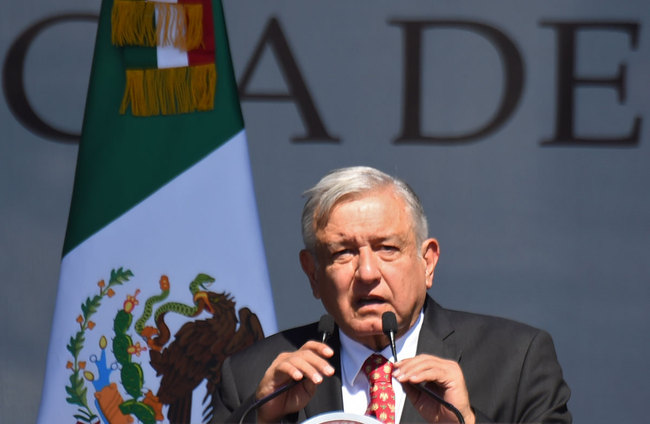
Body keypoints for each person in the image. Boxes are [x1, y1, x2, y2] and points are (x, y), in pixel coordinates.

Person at [211, 166, 571, 423]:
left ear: (427, 262)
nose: (367, 273)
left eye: (386, 248)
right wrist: (260, 420)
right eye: (343, 254)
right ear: (313, 274)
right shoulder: (254, 376)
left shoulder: (516, 360)